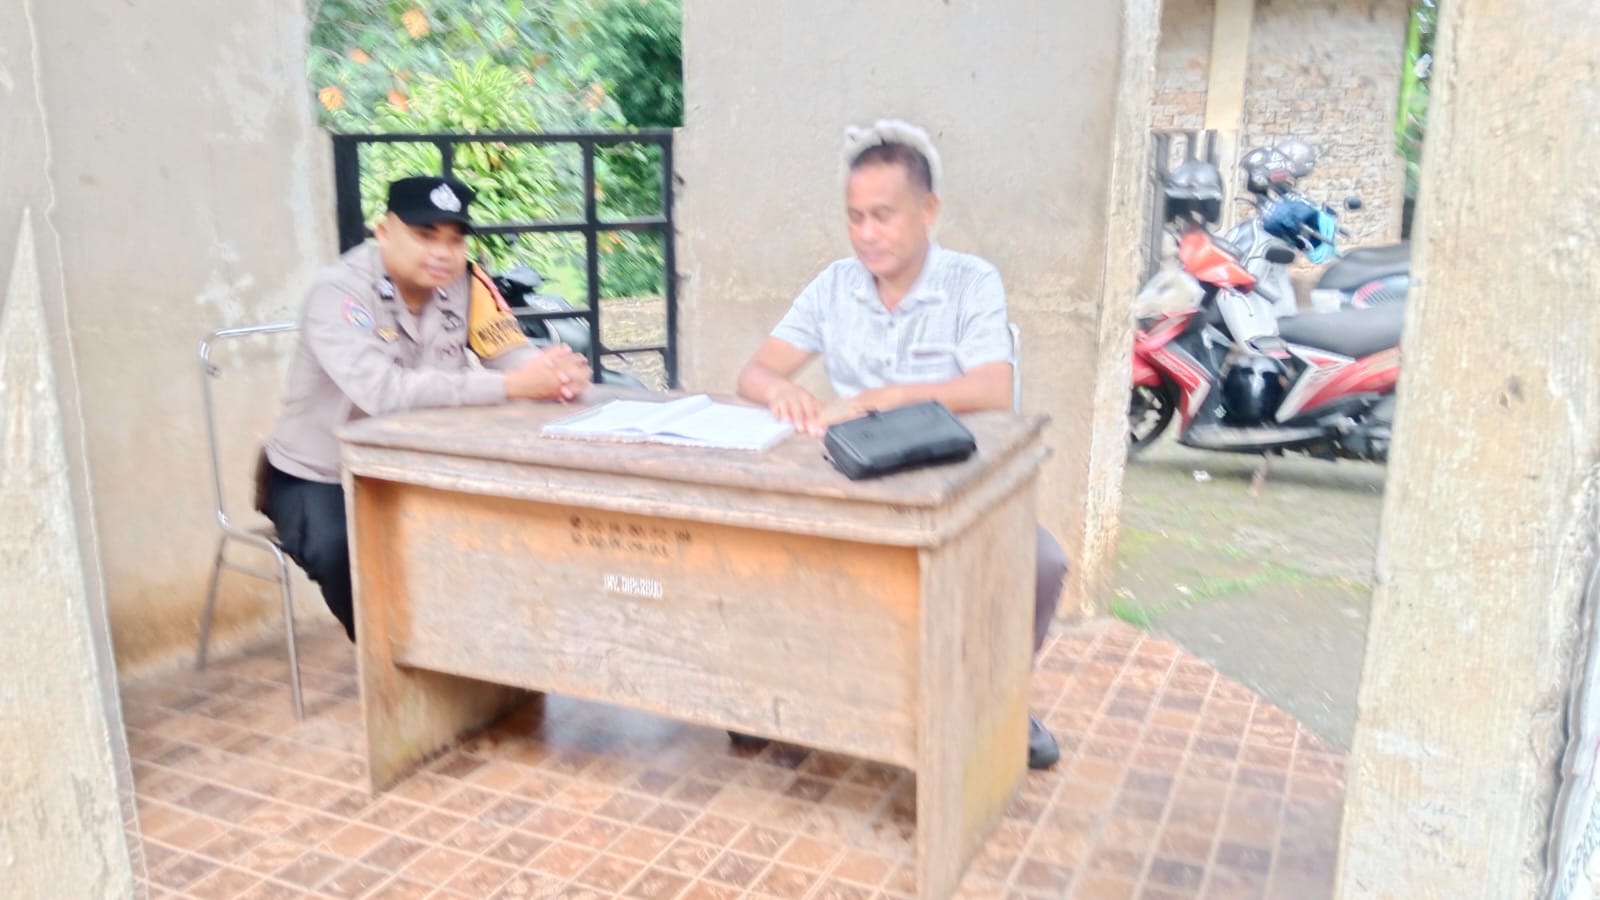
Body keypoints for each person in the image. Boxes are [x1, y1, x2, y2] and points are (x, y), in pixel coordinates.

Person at [736, 121, 1068, 770]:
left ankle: (998, 698)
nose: (867, 234)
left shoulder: (971, 282)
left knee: (1043, 562)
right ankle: (782, 701)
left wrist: (886, 397)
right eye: (855, 217)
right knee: (762, 542)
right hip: (858, 484)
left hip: (958, 485)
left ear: (928, 210)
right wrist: (783, 392)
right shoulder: (834, 286)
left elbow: (992, 388)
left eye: (883, 215)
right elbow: (754, 372)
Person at [259, 175, 592, 641]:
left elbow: (507, 351)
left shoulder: (466, 283)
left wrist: (553, 372)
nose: (442, 253)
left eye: (455, 240)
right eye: (425, 235)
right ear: (384, 231)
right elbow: (383, 394)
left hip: (418, 467)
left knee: (503, 532)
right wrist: (515, 385)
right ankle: (397, 666)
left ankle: (475, 654)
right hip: (321, 474)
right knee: (345, 555)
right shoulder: (339, 292)